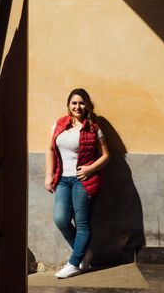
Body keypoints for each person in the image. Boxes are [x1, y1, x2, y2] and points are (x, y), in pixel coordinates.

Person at [44, 88, 110, 279]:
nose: (77, 106)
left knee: (82, 222)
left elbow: (106, 156)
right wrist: (49, 175)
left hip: (84, 180)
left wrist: (90, 169)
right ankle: (83, 253)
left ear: (87, 105)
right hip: (63, 179)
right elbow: (50, 149)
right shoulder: (59, 124)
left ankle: (74, 263)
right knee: (61, 219)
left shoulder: (94, 128)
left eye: (81, 103)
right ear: (68, 105)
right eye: (74, 103)